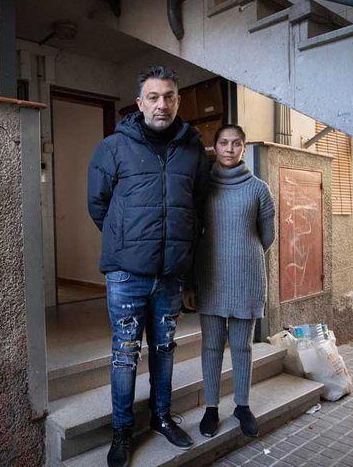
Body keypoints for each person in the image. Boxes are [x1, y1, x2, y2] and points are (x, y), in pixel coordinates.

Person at [87, 65, 210, 467]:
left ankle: (160, 417)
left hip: (171, 274)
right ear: (139, 104)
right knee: (125, 353)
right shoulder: (112, 148)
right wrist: (129, 242)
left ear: (178, 100)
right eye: (154, 97)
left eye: (169, 96)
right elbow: (98, 206)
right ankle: (122, 430)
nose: (162, 104)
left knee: (164, 349)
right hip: (126, 273)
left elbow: (197, 207)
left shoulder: (193, 149)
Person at [194, 124, 275, 439]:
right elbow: (193, 231)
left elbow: (266, 235)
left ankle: (242, 406)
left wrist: (242, 253)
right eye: (223, 143)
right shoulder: (202, 188)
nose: (229, 149)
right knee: (212, 346)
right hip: (210, 277)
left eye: (236, 144)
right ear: (214, 147)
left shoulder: (258, 189)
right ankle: (211, 408)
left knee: (242, 346)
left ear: (244, 148)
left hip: (246, 277)